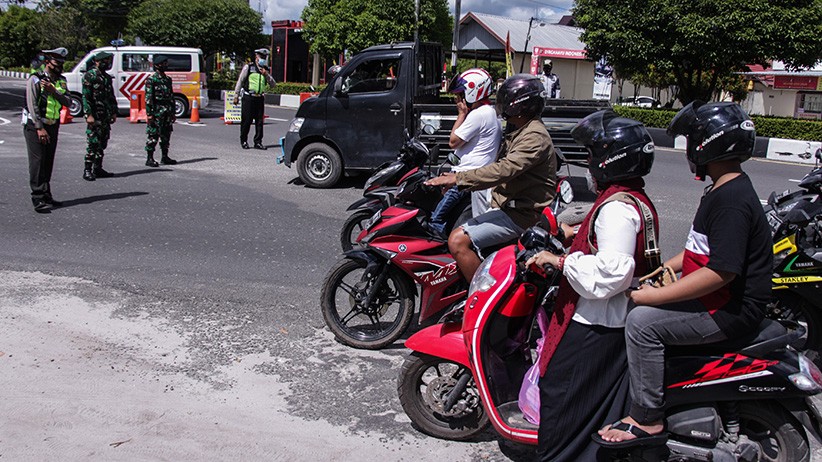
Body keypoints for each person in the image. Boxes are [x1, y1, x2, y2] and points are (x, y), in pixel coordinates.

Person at [597, 102, 772, 447]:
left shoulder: (731, 200)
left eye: (693, 140)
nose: (690, 149)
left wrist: (652, 296)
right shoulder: (725, 188)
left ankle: (647, 417)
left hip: (728, 310)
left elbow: (719, 272)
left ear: (708, 144)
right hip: (721, 302)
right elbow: (700, 250)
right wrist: (666, 268)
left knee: (641, 323)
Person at [525, 110, 657, 461]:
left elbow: (612, 272)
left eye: (593, 155)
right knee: (587, 404)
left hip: (597, 322)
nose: (589, 162)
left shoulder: (616, 210)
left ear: (608, 160)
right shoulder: (631, 198)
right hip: (609, 320)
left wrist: (560, 260)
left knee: (561, 394)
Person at [425, 74, 556, 281]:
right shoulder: (520, 130)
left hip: (521, 214)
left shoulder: (534, 136)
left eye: (507, 100)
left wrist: (457, 180)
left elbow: (504, 169)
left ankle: (481, 297)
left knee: (457, 241)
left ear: (520, 105)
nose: (501, 104)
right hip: (507, 205)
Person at [428, 68, 501, 236]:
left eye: (461, 94)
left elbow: (453, 142)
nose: (458, 99)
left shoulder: (479, 114)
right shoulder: (489, 112)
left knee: (435, 220)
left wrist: (461, 114)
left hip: (464, 179)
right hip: (470, 176)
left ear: (473, 91)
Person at [23, 47, 71, 213]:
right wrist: (39, 128)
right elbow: (32, 104)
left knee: (48, 160)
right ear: (47, 61)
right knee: (37, 161)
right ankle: (37, 197)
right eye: (56, 62)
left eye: (61, 62)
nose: (59, 65)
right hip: (36, 126)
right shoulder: (35, 79)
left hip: (53, 124)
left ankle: (46, 194)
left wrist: (54, 91)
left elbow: (68, 102)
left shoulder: (61, 81)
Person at [82, 51, 117, 181]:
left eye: (108, 61)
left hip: (105, 116)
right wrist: (88, 114)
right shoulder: (89, 76)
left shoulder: (107, 78)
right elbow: (86, 97)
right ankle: (87, 169)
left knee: (102, 142)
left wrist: (114, 111)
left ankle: (98, 168)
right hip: (95, 115)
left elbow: (111, 96)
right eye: (104, 61)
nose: (107, 63)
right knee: (93, 142)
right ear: (97, 62)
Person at [232, 48, 276, 150]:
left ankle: (258, 142)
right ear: (256, 56)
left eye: (264, 57)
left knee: (260, 122)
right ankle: (244, 140)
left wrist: (266, 74)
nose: (263, 59)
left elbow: (273, 84)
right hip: (248, 98)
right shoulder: (249, 67)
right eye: (261, 57)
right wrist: (236, 96)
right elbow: (240, 81)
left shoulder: (265, 70)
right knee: (246, 121)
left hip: (259, 98)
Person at [144, 55, 177, 167]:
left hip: (167, 112)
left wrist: (173, 112)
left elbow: (171, 96)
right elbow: (149, 98)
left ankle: (165, 156)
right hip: (157, 111)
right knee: (153, 134)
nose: (165, 65)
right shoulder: (152, 80)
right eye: (163, 63)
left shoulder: (167, 80)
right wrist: (149, 113)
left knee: (166, 135)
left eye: (166, 63)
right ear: (157, 65)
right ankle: (150, 158)